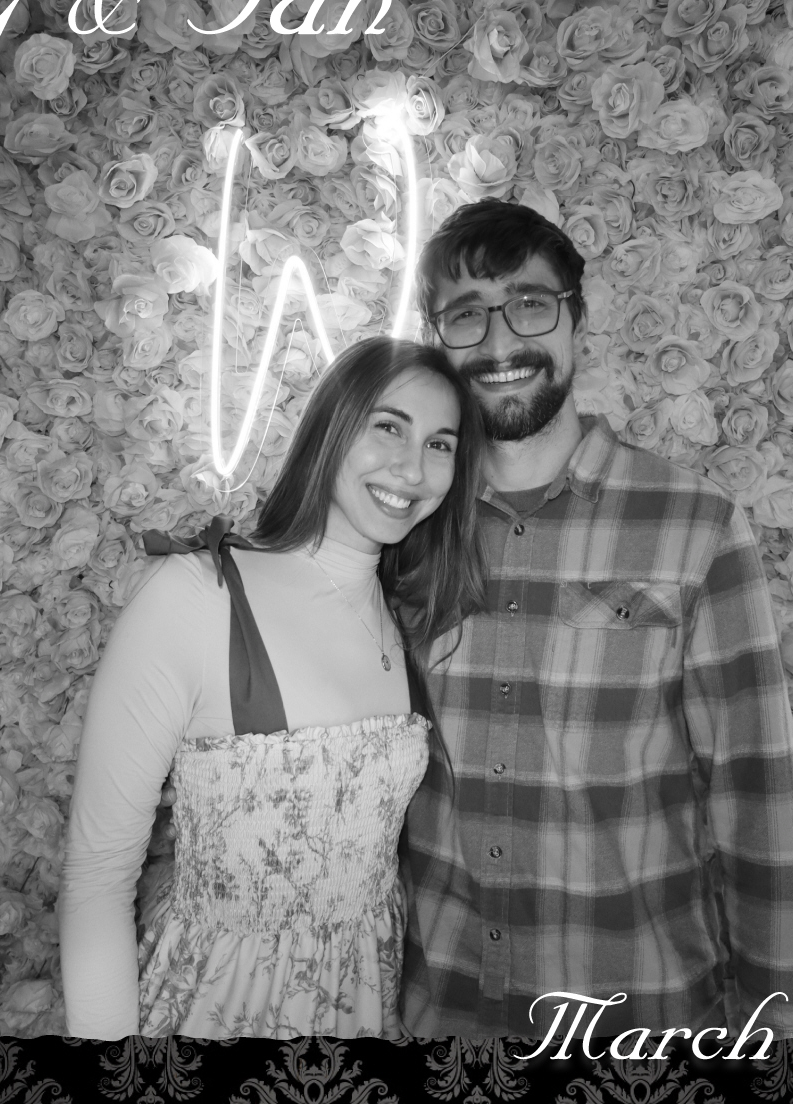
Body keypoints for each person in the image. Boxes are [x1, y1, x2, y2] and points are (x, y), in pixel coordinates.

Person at [399, 200, 793, 1041]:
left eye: (529, 304)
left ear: (578, 321)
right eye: (466, 315)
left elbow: (756, 790)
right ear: (436, 338)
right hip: (442, 1006)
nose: (499, 342)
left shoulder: (694, 525)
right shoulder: (406, 527)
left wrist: (782, 1027)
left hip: (637, 1017)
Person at [61, 336, 486, 1039]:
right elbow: (96, 877)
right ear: (331, 427)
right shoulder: (199, 596)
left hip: (364, 1008)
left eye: (440, 445)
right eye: (389, 427)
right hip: (219, 1009)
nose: (413, 468)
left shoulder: (406, 617)